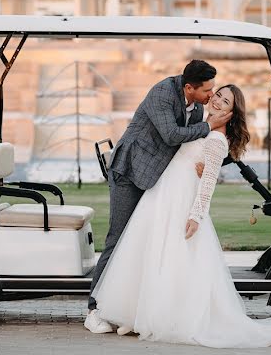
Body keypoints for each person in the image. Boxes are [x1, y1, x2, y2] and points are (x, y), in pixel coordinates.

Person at [91, 85, 271, 348]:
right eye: (217, 95)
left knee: (170, 257)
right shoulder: (200, 124)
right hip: (162, 193)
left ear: (231, 112)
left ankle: (155, 317)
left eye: (225, 101)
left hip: (180, 199)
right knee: (149, 252)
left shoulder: (216, 141)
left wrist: (196, 216)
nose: (217, 101)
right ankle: (136, 314)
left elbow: (208, 184)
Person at [85, 60, 232, 334]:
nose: (211, 95)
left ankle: (132, 310)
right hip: (130, 171)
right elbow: (171, 135)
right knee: (118, 239)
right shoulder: (162, 93)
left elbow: (206, 147)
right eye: (207, 90)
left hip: (158, 180)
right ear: (189, 87)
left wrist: (202, 163)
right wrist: (209, 126)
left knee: (142, 244)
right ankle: (94, 309)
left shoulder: (198, 106)